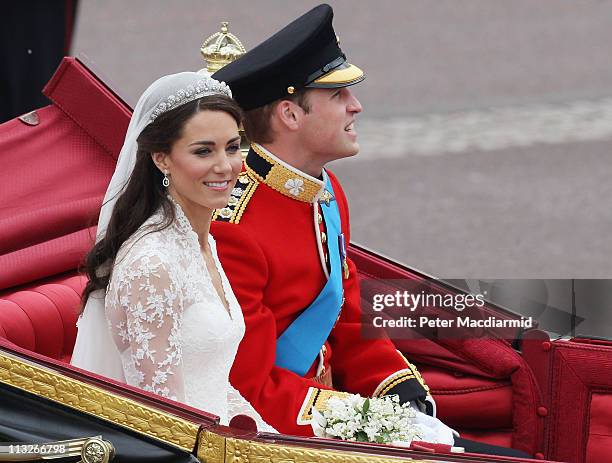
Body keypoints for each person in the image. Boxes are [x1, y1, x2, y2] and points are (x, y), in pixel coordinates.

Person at [211, 4, 529, 457]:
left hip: (330, 406)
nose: (355, 105)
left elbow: (346, 309)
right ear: (290, 114)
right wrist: (376, 425)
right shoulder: (234, 226)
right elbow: (251, 389)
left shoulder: (323, 189)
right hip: (288, 434)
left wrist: (393, 387)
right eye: (338, 95)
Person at [70, 71, 274, 431]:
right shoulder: (153, 265)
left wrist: (277, 443)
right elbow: (166, 420)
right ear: (161, 158)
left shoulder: (200, 240)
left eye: (232, 147)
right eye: (203, 151)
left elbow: (212, 383)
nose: (225, 166)